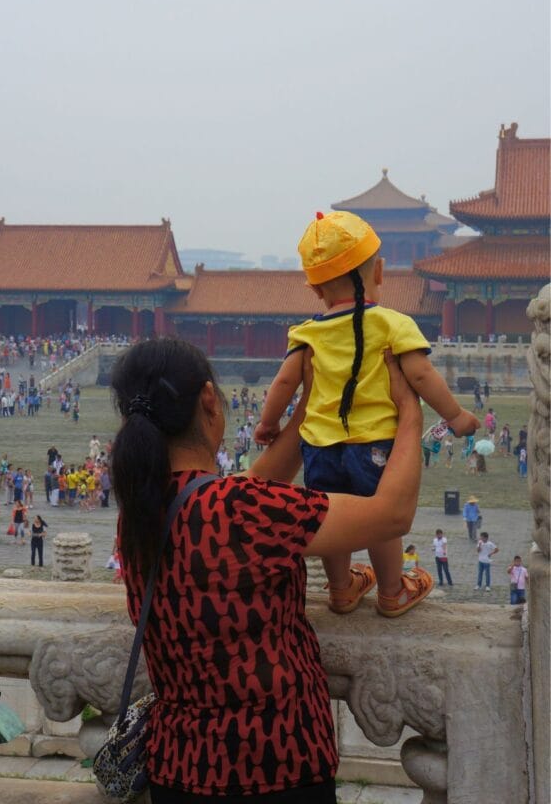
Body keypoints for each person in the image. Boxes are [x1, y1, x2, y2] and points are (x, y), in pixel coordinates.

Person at [110, 337, 425, 801]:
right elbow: (393, 513)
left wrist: (307, 410)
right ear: (209, 402)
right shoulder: (239, 510)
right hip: (277, 767)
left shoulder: (139, 513)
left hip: (177, 769)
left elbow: (246, 495)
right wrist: (410, 414)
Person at [255, 211, 478, 617]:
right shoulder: (393, 323)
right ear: (379, 271)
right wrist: (458, 416)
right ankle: (393, 591)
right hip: (374, 443)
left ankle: (342, 590)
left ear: (316, 288)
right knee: (378, 517)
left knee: (326, 514)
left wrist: (268, 424)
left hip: (319, 445)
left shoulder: (307, 333)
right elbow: (422, 376)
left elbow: (284, 384)